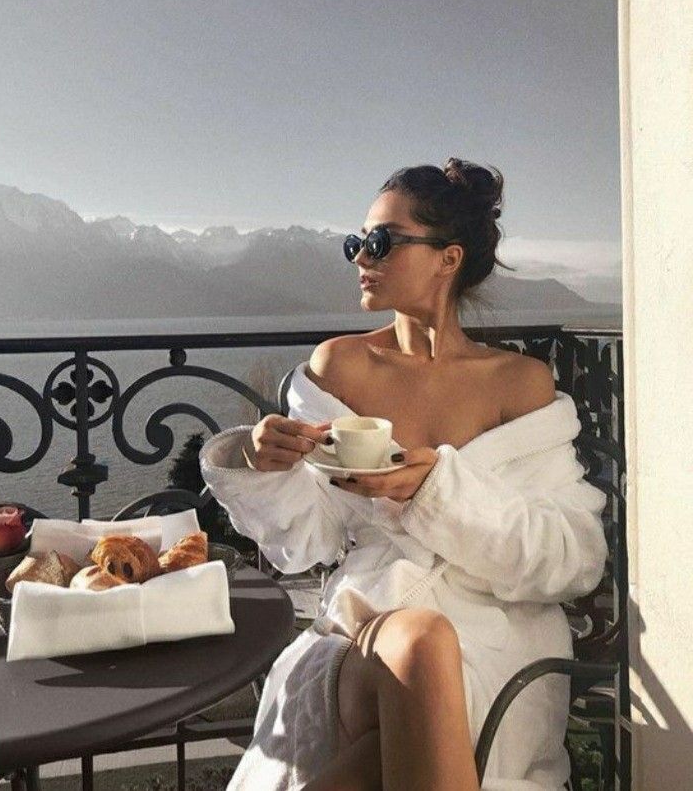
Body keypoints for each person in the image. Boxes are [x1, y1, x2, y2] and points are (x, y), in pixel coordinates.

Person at [200, 157, 608, 791]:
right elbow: (302, 543)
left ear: (448, 258)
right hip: (370, 629)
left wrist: (436, 494)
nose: (361, 255)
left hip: (499, 641)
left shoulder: (519, 384)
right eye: (357, 241)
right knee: (419, 646)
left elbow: (572, 560)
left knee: (394, 749)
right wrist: (265, 467)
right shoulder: (340, 366)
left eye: (381, 241)